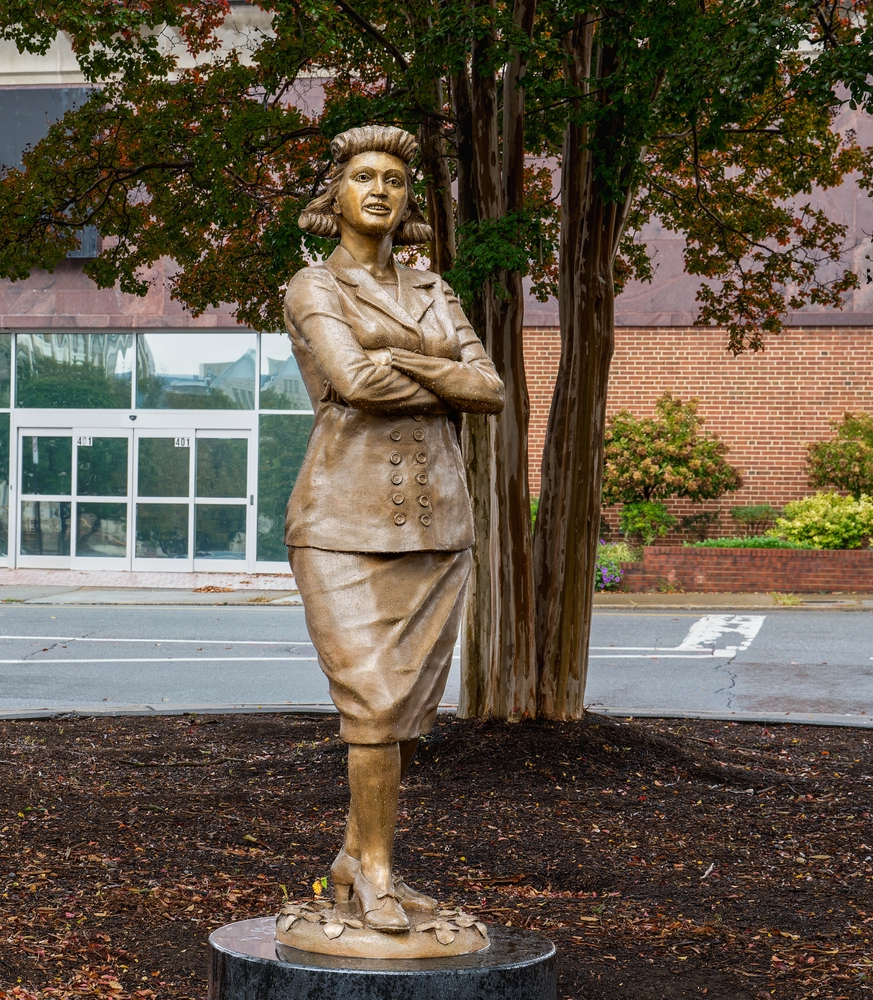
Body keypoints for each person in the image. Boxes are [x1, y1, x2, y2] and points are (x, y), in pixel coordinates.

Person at [283, 125, 504, 934]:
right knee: (373, 705)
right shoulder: (314, 287)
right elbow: (354, 381)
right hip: (342, 520)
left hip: (440, 524)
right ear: (334, 194)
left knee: (407, 714)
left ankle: (355, 858)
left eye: (396, 181)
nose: (380, 190)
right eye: (363, 176)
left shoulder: (434, 288)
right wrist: (439, 373)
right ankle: (374, 872)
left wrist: (411, 368)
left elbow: (492, 390)